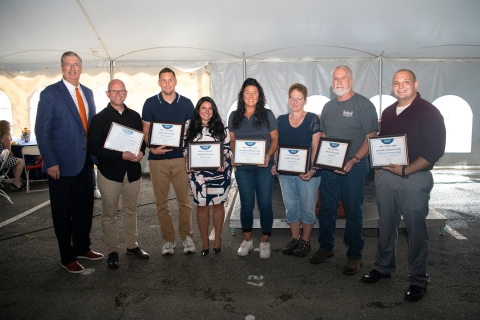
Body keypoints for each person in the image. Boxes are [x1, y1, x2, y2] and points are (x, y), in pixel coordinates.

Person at [361, 70, 446, 302]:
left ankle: (419, 279)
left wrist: (407, 170)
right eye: (396, 83)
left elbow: (435, 149)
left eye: (405, 82)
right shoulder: (388, 112)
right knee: (386, 224)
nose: (401, 86)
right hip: (387, 177)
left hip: (414, 177)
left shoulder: (429, 112)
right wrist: (378, 168)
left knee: (415, 230)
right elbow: (382, 144)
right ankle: (383, 266)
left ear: (415, 84)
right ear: (392, 86)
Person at [35, 51, 103, 274]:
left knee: (84, 208)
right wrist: (51, 161)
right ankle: (67, 256)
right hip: (61, 166)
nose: (72, 68)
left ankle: (83, 247)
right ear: (62, 68)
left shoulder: (88, 92)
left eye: (76, 64)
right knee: (62, 213)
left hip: (85, 162)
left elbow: (90, 127)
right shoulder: (50, 94)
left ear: (81, 67)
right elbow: (42, 131)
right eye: (67, 65)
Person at [309, 65, 378, 275]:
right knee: (327, 208)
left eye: (343, 78)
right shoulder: (328, 107)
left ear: (351, 80)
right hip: (330, 167)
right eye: (335, 78)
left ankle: (355, 254)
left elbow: (371, 137)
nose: (339, 82)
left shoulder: (364, 105)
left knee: (353, 210)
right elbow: (325, 135)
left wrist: (355, 159)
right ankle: (326, 246)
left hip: (354, 167)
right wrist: (320, 158)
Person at [88, 79, 150, 268]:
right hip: (109, 174)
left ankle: (132, 246)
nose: (118, 94)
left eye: (121, 91)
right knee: (109, 214)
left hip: (132, 172)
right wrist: (120, 155)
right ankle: (112, 250)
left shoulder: (134, 116)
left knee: (131, 211)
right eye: (114, 91)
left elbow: (141, 141)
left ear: (126, 93)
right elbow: (94, 148)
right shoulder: (99, 119)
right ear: (107, 94)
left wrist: (140, 151)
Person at [142, 68, 195, 255]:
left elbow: (192, 133)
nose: (167, 83)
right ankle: (168, 240)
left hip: (180, 158)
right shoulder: (149, 103)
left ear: (175, 81)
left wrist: (190, 155)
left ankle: (187, 235)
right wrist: (151, 147)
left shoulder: (187, 104)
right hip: (157, 160)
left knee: (184, 200)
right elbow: (146, 132)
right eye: (163, 80)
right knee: (161, 202)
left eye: (170, 80)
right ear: (159, 83)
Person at [228, 78, 278, 259]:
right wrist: (235, 155)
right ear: (242, 95)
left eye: (254, 92)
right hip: (243, 168)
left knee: (265, 204)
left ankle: (265, 242)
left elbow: (275, 140)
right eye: (247, 92)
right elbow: (232, 141)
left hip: (264, 166)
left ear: (259, 95)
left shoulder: (267, 114)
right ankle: (248, 240)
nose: (251, 95)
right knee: (246, 205)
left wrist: (268, 156)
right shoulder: (234, 116)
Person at [271, 83, 321, 258]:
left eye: (299, 98)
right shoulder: (281, 120)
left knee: (307, 208)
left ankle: (305, 241)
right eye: (292, 97)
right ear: (288, 99)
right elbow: (277, 145)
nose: (295, 101)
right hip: (285, 174)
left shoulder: (313, 119)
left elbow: (316, 147)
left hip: (307, 174)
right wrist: (276, 163)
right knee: (291, 207)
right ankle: (294, 238)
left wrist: (313, 170)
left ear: (305, 101)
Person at [184, 97, 232, 256]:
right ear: (198, 110)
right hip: (198, 175)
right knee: (202, 206)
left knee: (218, 205)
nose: (207, 111)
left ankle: (217, 238)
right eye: (203, 108)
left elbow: (227, 147)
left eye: (210, 108)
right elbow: (185, 148)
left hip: (219, 172)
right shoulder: (189, 125)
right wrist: (187, 160)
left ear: (214, 110)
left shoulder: (221, 124)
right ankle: (205, 241)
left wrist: (223, 159)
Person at [0, 120, 25, 191]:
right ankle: (16, 183)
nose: (10, 127)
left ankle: (17, 182)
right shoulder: (5, 137)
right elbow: (9, 152)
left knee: (15, 162)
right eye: (9, 126)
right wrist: (15, 156)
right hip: (1, 162)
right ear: (6, 127)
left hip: (0, 160)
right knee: (20, 161)